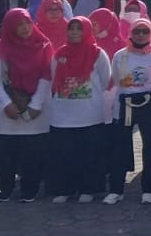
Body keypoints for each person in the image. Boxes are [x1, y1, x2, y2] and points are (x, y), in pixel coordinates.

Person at [0, 7, 52, 201]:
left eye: (27, 23)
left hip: (35, 109)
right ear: (9, 27)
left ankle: (29, 188)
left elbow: (46, 76)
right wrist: (6, 104)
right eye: (19, 25)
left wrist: (36, 105)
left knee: (32, 152)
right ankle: (5, 188)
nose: (24, 28)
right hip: (8, 109)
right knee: (7, 150)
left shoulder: (43, 45)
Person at [45, 16, 113, 203]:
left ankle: (88, 189)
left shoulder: (98, 54)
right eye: (71, 28)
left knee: (89, 155)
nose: (74, 32)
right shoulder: (59, 54)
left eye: (79, 29)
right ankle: (64, 189)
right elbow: (53, 78)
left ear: (87, 31)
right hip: (63, 114)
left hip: (89, 114)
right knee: (64, 154)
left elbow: (106, 79)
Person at [112, 16, 151, 203]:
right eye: (136, 31)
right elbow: (115, 78)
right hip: (126, 103)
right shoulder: (120, 55)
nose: (140, 35)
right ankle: (116, 190)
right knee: (120, 146)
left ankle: (148, 190)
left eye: (145, 31)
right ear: (130, 33)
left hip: (149, 104)